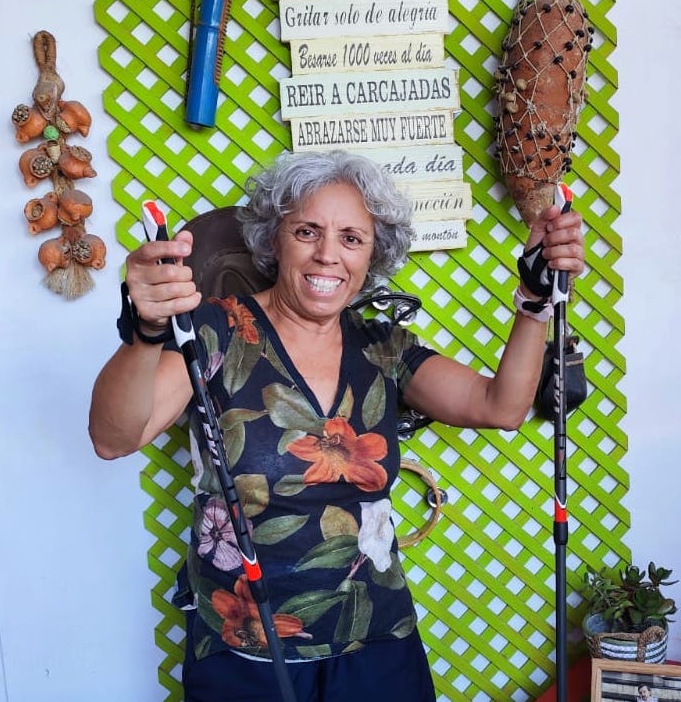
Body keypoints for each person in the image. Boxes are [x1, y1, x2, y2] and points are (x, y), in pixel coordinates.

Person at [88, 149, 585, 701]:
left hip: (375, 645)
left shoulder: (383, 349)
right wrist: (144, 333)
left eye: (352, 238)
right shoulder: (215, 332)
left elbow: (500, 406)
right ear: (274, 239)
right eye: (307, 231)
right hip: (247, 654)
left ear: (372, 256)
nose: (328, 255)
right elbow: (114, 438)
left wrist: (536, 301)